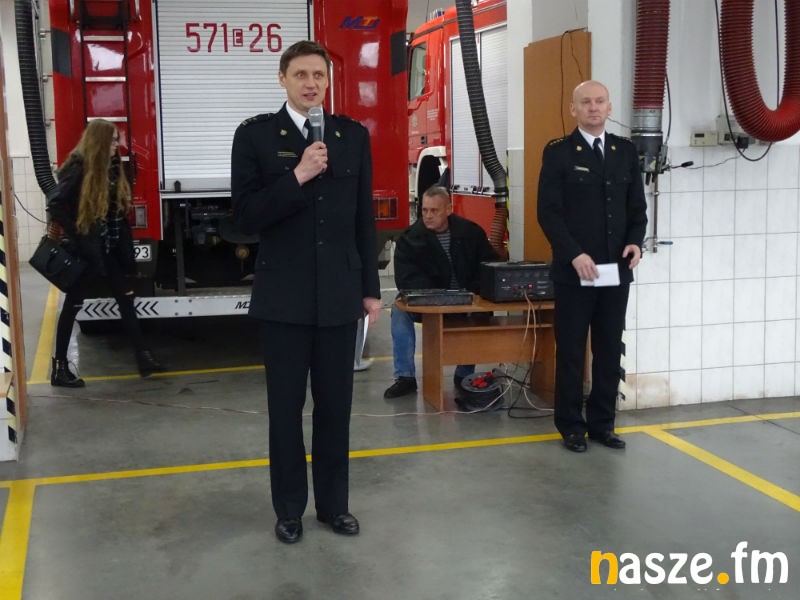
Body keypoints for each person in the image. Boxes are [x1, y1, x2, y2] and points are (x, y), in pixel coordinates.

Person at [231, 40, 381, 544]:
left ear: (328, 80)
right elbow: (245, 217)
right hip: (284, 299)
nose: (311, 83)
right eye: (300, 74)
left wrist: (370, 290)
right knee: (286, 412)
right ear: (282, 78)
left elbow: (363, 219)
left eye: (319, 74)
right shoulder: (255, 136)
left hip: (339, 295)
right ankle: (290, 509)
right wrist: (297, 175)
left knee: (335, 410)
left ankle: (334, 507)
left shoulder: (351, 135)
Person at [537, 80, 647, 453]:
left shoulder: (624, 151)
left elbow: (637, 208)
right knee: (571, 351)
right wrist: (574, 254)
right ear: (574, 109)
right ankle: (571, 426)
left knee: (609, 349)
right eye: (586, 102)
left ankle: (602, 424)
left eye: (600, 101)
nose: (594, 107)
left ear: (609, 107)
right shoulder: (558, 153)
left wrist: (635, 242)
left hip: (616, 271)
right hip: (575, 273)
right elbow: (548, 213)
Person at [46, 119, 165, 387]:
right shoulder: (78, 168)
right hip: (86, 251)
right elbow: (55, 204)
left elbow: (115, 212)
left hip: (105, 249)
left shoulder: (110, 168)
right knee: (72, 307)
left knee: (126, 299)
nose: (117, 145)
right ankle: (59, 369)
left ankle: (144, 357)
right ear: (99, 142)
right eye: (112, 141)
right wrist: (78, 234)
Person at [384, 186, 498, 399]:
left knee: (479, 312)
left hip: (467, 299)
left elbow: (489, 265)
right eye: (424, 210)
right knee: (398, 311)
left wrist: (474, 292)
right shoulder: (410, 239)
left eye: (434, 210)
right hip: (429, 302)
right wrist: (437, 296)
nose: (428, 216)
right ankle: (405, 377)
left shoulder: (471, 233)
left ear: (448, 209)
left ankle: (464, 374)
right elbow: (406, 280)